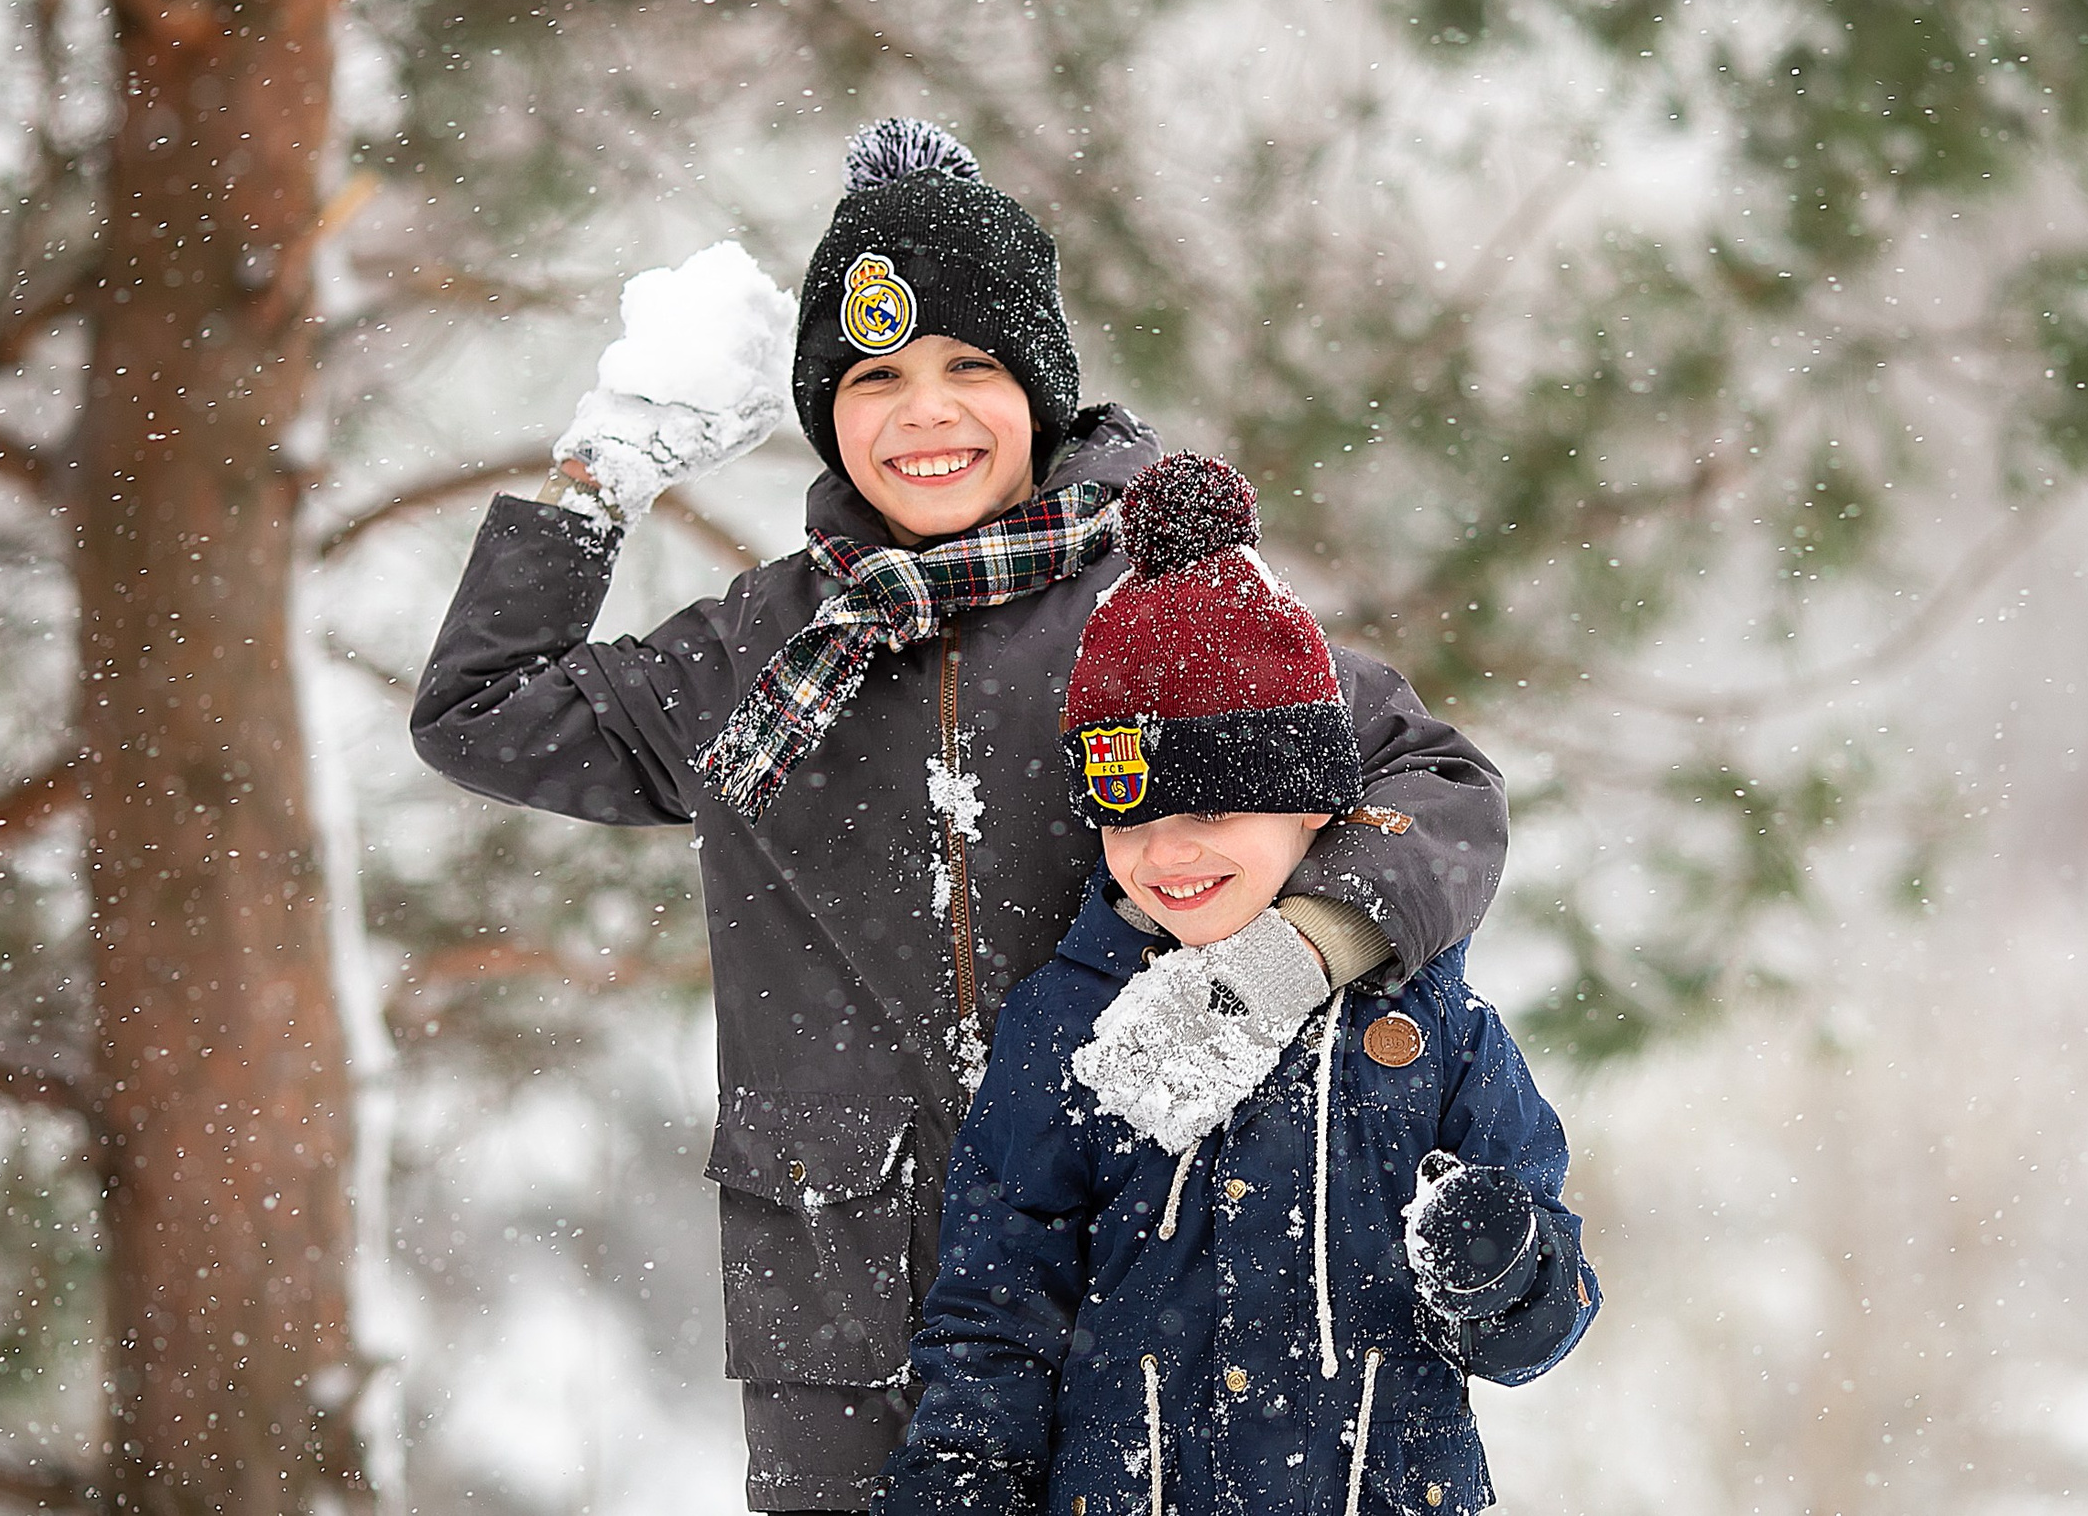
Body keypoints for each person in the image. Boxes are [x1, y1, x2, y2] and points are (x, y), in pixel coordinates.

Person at [411, 121, 1512, 1515]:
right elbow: (480, 709)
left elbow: (1441, 787)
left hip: (1152, 1303)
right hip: (852, 1346)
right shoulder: (765, 651)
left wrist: (1292, 953)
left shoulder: (1169, 609)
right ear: (827, 411)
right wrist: (602, 473)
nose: (924, 413)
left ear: (1041, 390)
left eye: (969, 369)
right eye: (876, 379)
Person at [874, 453, 1600, 1516]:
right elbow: (996, 1302)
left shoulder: (1423, 1023)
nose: (1168, 855)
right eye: (1133, 815)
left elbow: (1546, 1314)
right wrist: (964, 1477)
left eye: (1212, 813)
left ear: (1313, 806)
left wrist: (1502, 1269)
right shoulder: (1065, 1024)